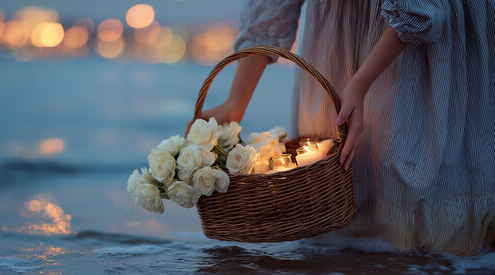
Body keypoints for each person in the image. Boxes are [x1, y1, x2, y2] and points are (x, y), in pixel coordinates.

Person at [186, 0, 494, 255]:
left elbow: (417, 8)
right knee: (339, 192)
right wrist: (236, 101)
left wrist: (360, 83)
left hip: (407, 50)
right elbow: (272, 7)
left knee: (406, 183)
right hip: (337, 46)